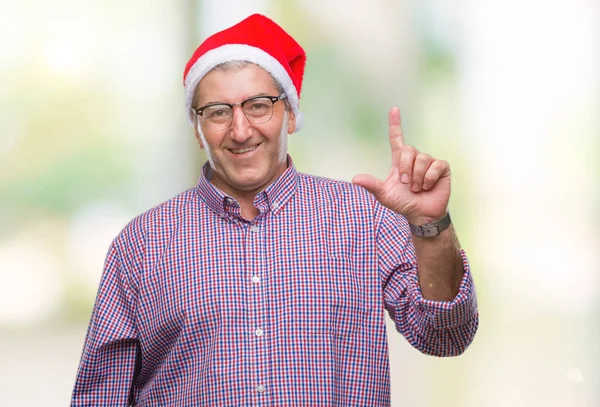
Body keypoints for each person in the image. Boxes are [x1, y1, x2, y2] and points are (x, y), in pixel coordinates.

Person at [71, 13, 478, 406]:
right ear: (197, 130)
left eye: (259, 105)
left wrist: (431, 226)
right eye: (217, 112)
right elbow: (100, 396)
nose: (241, 129)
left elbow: (445, 337)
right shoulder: (140, 245)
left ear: (291, 116)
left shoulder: (364, 218)